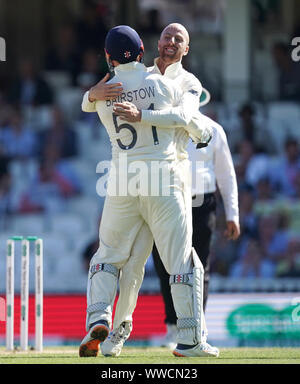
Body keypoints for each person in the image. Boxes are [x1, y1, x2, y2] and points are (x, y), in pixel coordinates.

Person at [79, 25, 218, 358]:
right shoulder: (160, 82)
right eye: (167, 38)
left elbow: (87, 104)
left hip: (123, 180)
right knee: (180, 261)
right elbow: (187, 118)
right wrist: (202, 131)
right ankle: (190, 339)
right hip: (164, 178)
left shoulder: (105, 92)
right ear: (144, 51)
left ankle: (100, 318)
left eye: (177, 39)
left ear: (109, 57)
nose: (170, 43)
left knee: (112, 256)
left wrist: (93, 93)